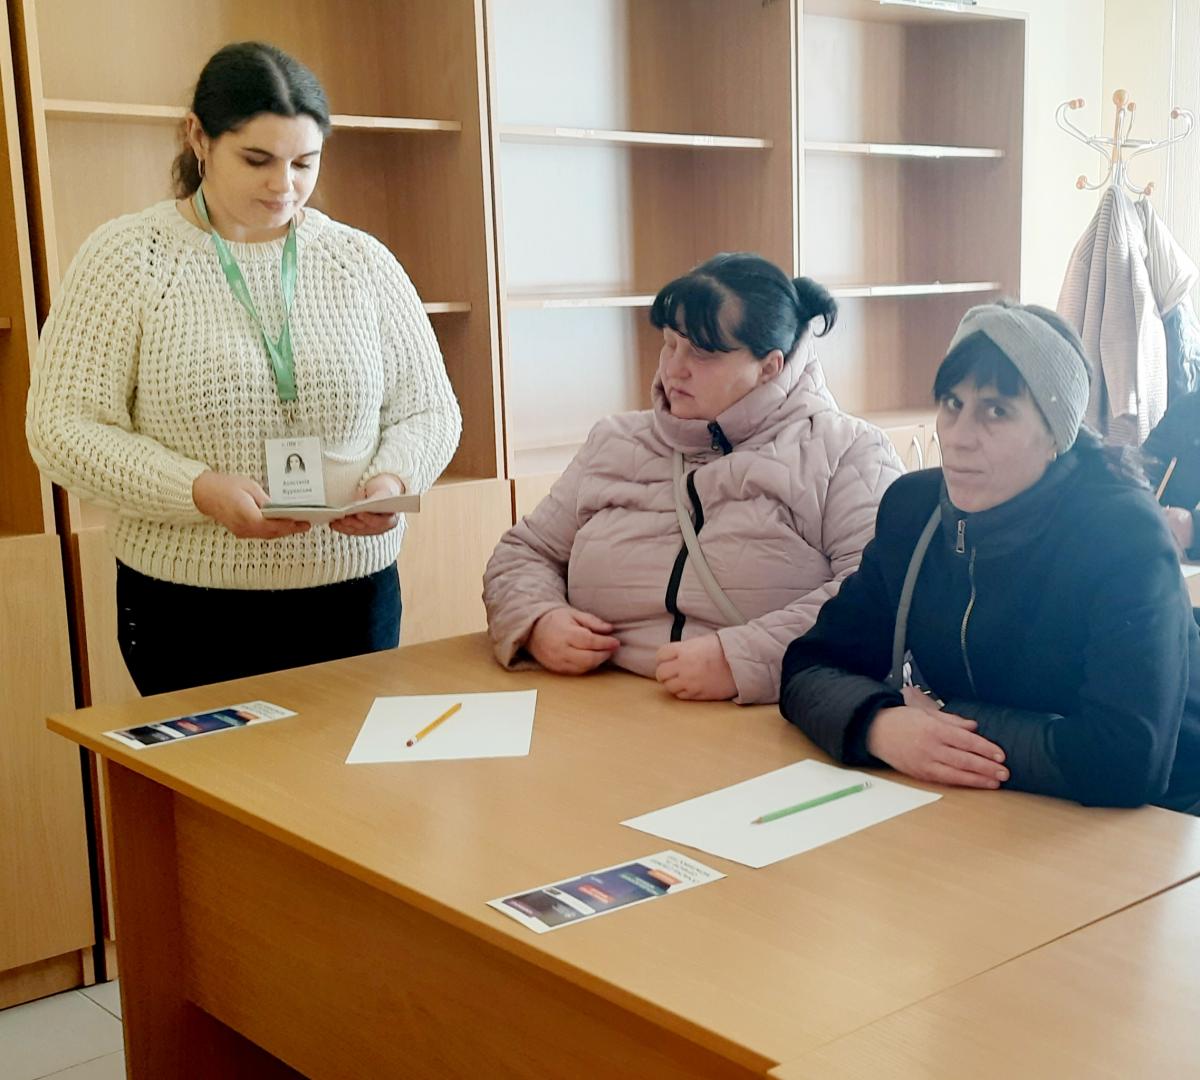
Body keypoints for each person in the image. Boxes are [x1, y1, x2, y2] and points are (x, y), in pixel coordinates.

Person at [26, 42, 461, 695]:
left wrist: (395, 477)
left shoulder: (360, 261)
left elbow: (429, 409)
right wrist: (195, 488)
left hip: (354, 597)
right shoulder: (127, 257)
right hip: (187, 609)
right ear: (198, 137)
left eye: (304, 162)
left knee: (346, 764)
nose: (283, 185)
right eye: (257, 160)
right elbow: (63, 427)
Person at [779, 301, 1200, 812]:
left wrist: (943, 718)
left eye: (996, 411)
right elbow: (808, 665)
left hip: (1162, 820)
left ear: (1056, 434)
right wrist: (881, 725)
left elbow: (1128, 760)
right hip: (1000, 803)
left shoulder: (1123, 534)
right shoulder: (913, 511)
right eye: (952, 404)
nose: (959, 437)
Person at [483, 252, 902, 705]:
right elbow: (525, 552)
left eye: (702, 353)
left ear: (769, 366)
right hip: (594, 710)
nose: (673, 368)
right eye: (670, 342)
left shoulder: (847, 451)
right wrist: (538, 620)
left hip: (765, 716)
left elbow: (884, 594)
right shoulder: (613, 441)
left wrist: (742, 659)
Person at [1140, 386, 1200, 559]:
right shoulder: (1188, 408)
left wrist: (1193, 527)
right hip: (1166, 554)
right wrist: (1135, 496)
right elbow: (1147, 461)